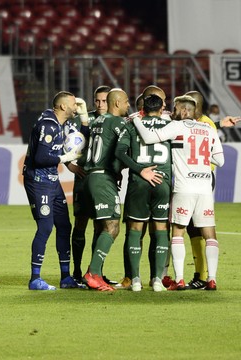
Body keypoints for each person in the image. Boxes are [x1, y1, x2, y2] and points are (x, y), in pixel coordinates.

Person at [134, 95, 224, 291]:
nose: (173, 112)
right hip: (205, 188)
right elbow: (220, 161)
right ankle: (212, 279)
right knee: (210, 234)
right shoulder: (209, 129)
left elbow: (148, 138)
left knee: (177, 233)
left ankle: (180, 279)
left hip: (184, 187)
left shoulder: (177, 127)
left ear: (184, 111)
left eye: (175, 109)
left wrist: (135, 120)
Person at [83, 88, 160, 291]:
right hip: (103, 178)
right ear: (117, 103)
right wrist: (139, 169)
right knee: (113, 227)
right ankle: (93, 273)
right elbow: (119, 153)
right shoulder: (118, 122)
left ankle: (95, 274)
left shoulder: (97, 120)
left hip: (91, 176)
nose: (129, 105)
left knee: (101, 228)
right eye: (126, 102)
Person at [23, 91, 84, 290]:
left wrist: (69, 165)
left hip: (52, 180)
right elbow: (41, 158)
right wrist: (64, 159)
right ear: (63, 107)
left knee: (64, 226)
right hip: (38, 181)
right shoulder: (47, 125)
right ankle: (35, 279)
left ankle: (66, 277)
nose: (76, 106)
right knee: (46, 227)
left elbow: (71, 141)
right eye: (74, 104)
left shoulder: (62, 124)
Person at [182, 90, 240, 290]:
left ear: (195, 107)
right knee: (193, 228)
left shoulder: (204, 123)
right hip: (195, 179)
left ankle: (203, 275)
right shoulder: (202, 123)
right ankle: (203, 275)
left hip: (201, 179)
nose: (182, 109)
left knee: (195, 227)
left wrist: (217, 124)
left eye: (186, 105)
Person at [116, 94, 169, 291]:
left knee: (135, 230)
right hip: (162, 183)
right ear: (161, 109)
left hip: (139, 182)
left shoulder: (131, 125)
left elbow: (120, 153)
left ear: (142, 110)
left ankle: (135, 279)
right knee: (161, 229)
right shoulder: (170, 125)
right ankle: (156, 280)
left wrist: (140, 170)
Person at [66, 85, 111, 284]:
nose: (100, 104)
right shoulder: (83, 119)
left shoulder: (115, 121)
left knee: (101, 227)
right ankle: (76, 271)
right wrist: (70, 165)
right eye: (97, 100)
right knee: (81, 224)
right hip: (83, 179)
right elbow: (65, 142)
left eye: (104, 101)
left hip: (104, 181)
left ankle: (95, 272)